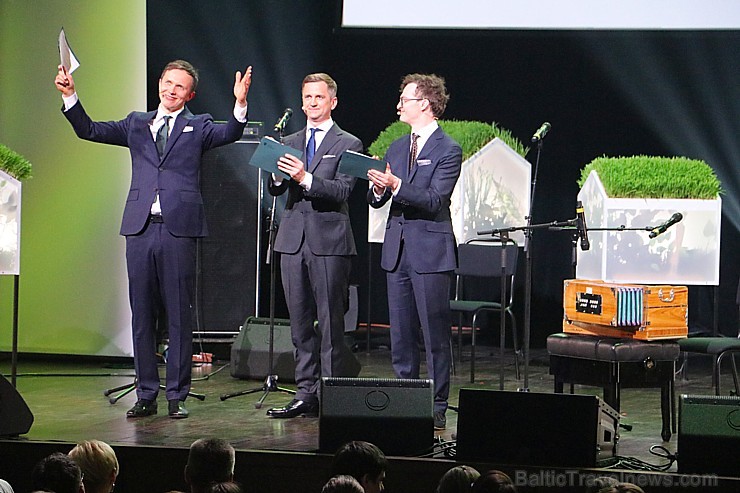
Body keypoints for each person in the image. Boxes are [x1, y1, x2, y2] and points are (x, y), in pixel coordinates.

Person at [55, 60, 253, 419]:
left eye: (180, 86)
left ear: (190, 93)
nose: (171, 90)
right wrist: (71, 96)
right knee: (142, 313)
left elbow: (231, 134)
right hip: (140, 227)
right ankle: (146, 393)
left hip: (178, 229)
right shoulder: (136, 123)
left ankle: (176, 395)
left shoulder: (199, 125)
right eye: (167, 82)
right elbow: (90, 130)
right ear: (159, 83)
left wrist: (239, 104)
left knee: (179, 313)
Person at [367, 73, 462, 430]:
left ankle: (437, 403)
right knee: (400, 333)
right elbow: (379, 199)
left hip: (430, 251)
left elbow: (436, 199)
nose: (398, 105)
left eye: (405, 99)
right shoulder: (395, 146)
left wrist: (396, 185)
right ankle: (405, 397)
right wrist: (378, 189)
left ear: (424, 103)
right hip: (398, 250)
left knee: (434, 332)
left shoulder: (448, 149)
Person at [265, 73, 363, 419]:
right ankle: (305, 392)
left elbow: (342, 191)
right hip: (292, 241)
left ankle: (332, 393)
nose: (311, 103)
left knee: (330, 323)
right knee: (299, 324)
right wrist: (277, 177)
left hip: (329, 242)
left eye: (318, 97)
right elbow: (277, 190)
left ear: (332, 101)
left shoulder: (349, 142)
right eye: (307, 97)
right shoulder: (289, 140)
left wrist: (304, 177)